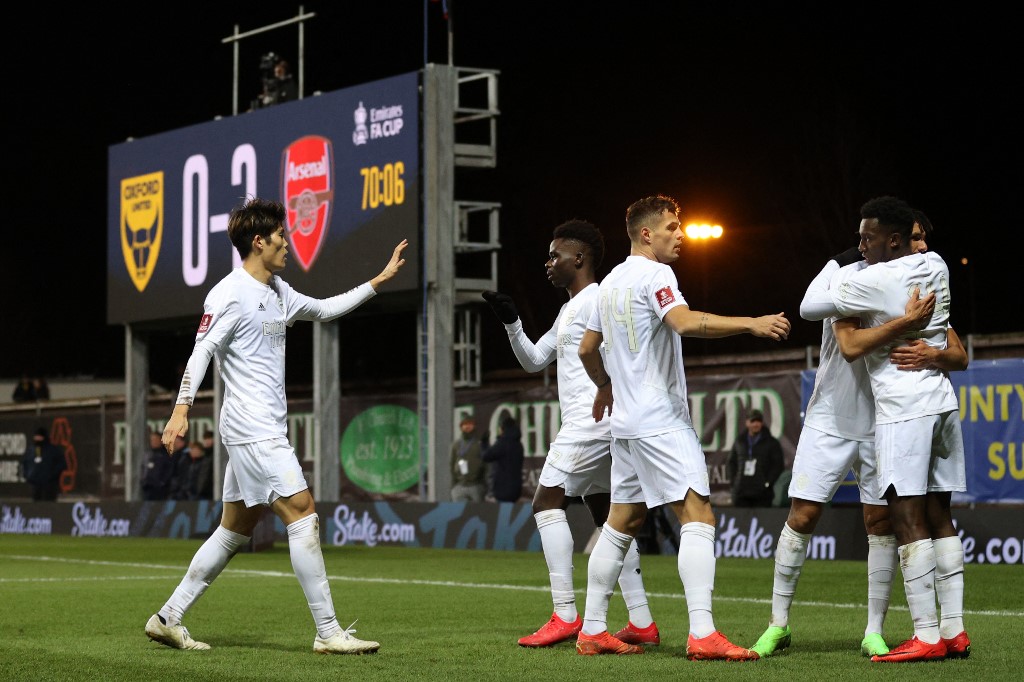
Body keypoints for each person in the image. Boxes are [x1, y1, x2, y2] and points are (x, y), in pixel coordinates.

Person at [144, 196, 407, 654]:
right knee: (302, 512)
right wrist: (182, 408)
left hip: (259, 430)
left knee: (233, 531)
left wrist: (377, 282)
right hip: (253, 430)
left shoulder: (280, 292)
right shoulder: (228, 293)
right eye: (282, 236)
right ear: (259, 241)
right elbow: (202, 350)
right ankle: (328, 632)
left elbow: (325, 309)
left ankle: (167, 617)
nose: (288, 242)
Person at [576, 194, 790, 659]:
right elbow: (684, 322)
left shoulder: (609, 283)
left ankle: (592, 628)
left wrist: (605, 386)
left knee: (623, 521)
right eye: (672, 227)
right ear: (646, 233)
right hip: (660, 420)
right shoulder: (656, 275)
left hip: (627, 426)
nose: (681, 235)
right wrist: (751, 323)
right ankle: (702, 634)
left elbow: (587, 349)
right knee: (699, 518)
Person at [750, 220, 966, 659]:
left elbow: (956, 351)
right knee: (803, 516)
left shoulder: (913, 281)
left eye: (924, 239)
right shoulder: (848, 274)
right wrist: (904, 320)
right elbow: (830, 326)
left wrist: (934, 352)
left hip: (885, 421)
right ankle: (778, 623)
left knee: (881, 523)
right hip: (830, 417)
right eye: (915, 238)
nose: (922, 247)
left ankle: (874, 630)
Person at [481, 219, 658, 649]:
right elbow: (534, 360)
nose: (548, 262)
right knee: (605, 516)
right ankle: (641, 621)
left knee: (546, 502)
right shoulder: (569, 309)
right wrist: (511, 323)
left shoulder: (599, 298)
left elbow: (624, 354)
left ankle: (564, 614)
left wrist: (612, 391)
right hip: (597, 425)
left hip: (589, 422)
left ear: (578, 258)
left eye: (555, 255)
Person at [726, 409, 784, 507]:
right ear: (747, 422)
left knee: (763, 521)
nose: (756, 424)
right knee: (742, 521)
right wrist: (734, 483)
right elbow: (731, 462)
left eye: (759, 421)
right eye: (753, 421)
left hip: (762, 493)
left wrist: (768, 483)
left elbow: (778, 465)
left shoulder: (771, 442)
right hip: (741, 492)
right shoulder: (739, 441)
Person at [480, 411, 524, 503]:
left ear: (503, 428)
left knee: (504, 514)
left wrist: (484, 443)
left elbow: (486, 456)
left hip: (502, 489)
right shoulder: (518, 444)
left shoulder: (503, 443)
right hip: (516, 488)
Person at [20, 427, 66, 501]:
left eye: (39, 437)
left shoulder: (53, 450)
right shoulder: (31, 450)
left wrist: (52, 476)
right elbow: (25, 463)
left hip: (49, 485)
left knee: (48, 506)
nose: (37, 439)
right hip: (35, 484)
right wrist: (28, 476)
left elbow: (62, 464)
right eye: (36, 437)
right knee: (36, 506)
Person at [449, 415, 487, 502]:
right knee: (460, 514)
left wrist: (483, 485)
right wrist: (453, 485)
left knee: (477, 514)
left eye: (470, 424)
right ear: (461, 426)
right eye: (465, 424)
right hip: (459, 486)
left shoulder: (479, 444)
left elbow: (486, 465)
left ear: (474, 426)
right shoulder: (456, 445)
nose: (467, 426)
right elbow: (451, 464)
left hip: (476, 486)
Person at [141, 431, 175, 501]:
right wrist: (143, 481)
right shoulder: (147, 454)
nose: (153, 442)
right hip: (147, 488)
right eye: (152, 440)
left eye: (156, 440)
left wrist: (162, 483)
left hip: (160, 490)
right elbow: (143, 468)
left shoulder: (166, 455)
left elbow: (169, 470)